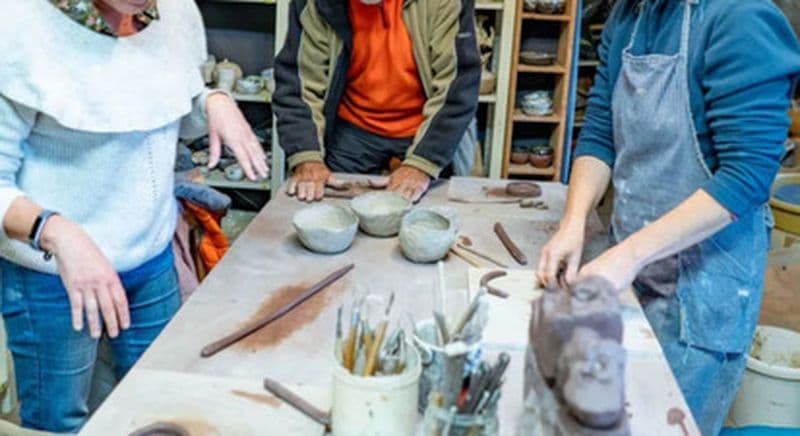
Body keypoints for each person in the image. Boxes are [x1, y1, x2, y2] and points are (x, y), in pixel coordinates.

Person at [0, 0, 268, 431]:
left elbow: (160, 105)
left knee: (157, 406)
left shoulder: (173, 12)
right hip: (53, 275)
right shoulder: (18, 27)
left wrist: (211, 101)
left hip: (150, 260)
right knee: (61, 421)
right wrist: (55, 231)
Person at [538, 0, 800, 434]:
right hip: (633, 267)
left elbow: (747, 174)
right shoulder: (630, 15)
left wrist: (629, 255)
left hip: (704, 291)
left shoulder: (742, 17)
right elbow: (601, 128)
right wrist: (574, 221)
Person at [273, 0, 481, 203]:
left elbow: (458, 87)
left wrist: (421, 165)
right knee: (326, 206)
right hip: (353, 128)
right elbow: (299, 84)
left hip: (427, 129)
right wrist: (307, 157)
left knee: (432, 214)